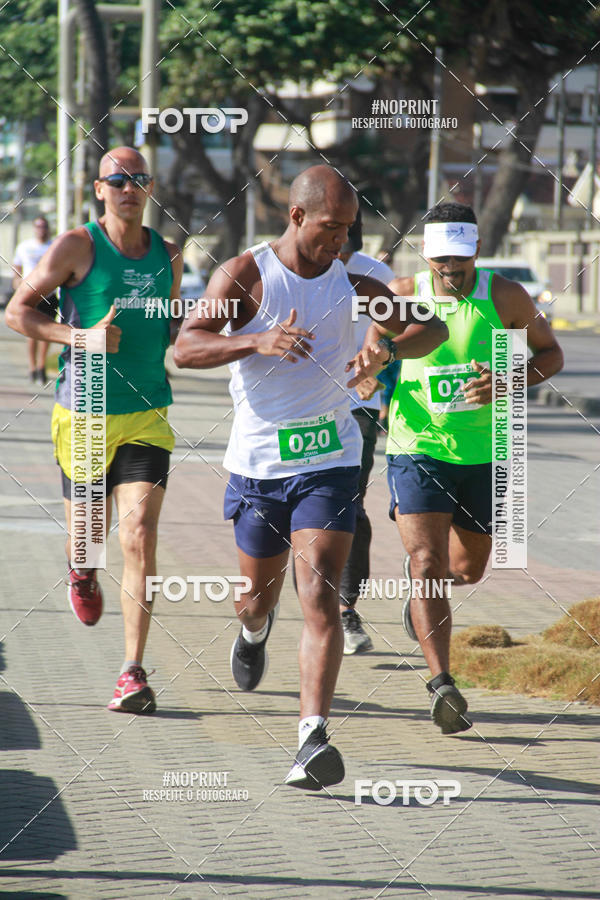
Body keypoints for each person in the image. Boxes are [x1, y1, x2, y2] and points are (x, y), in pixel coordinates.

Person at [174, 164, 448, 789]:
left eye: (349, 230)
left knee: (320, 595)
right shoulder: (246, 275)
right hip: (258, 466)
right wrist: (257, 341)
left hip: (329, 458)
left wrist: (389, 349)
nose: (341, 243)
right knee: (257, 597)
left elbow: (429, 329)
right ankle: (253, 630)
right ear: (297, 216)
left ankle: (311, 739)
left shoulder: (353, 279)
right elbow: (185, 348)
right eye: (331, 228)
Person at [6, 146, 183, 715]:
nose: (129, 188)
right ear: (99, 189)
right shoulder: (76, 247)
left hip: (147, 414)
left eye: (139, 179)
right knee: (90, 539)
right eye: (118, 180)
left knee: (139, 539)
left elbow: (169, 327)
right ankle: (81, 572)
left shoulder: (169, 255)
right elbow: (18, 312)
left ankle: (131, 672)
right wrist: (81, 339)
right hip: (83, 411)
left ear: (150, 189)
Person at [382, 202, 563, 735]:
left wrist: (508, 381)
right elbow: (374, 348)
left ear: (477, 252)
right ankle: (443, 684)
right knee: (426, 560)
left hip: (489, 452)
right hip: (417, 445)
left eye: (460, 260)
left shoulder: (504, 295)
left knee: (466, 570)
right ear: (426, 255)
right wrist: (372, 371)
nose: (450, 270)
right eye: (441, 260)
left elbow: (550, 354)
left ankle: (422, 601)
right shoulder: (402, 296)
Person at [336, 209, 395, 653]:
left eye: (344, 247)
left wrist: (382, 374)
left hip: (357, 407)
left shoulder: (376, 275)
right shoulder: (282, 266)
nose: (335, 256)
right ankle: (261, 607)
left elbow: (404, 334)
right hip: (296, 410)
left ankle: (345, 610)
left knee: (349, 507)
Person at [12, 216, 56, 384]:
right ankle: (32, 367)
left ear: (48, 228)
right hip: (29, 294)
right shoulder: (25, 246)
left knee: (46, 331)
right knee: (31, 332)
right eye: (38, 226)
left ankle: (42, 366)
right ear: (34, 228)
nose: (41, 229)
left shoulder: (54, 246)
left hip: (49, 295)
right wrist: (17, 283)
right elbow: (17, 269)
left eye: (44, 226)